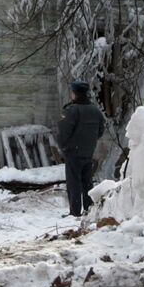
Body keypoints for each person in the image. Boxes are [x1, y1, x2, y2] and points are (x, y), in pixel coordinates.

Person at [57, 80, 105, 217]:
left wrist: (64, 148)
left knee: (74, 183)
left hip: (73, 152)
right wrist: (89, 143)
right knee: (87, 182)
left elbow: (63, 133)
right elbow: (100, 130)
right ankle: (89, 210)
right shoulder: (95, 110)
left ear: (75, 94)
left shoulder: (72, 110)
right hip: (88, 151)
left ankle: (74, 212)